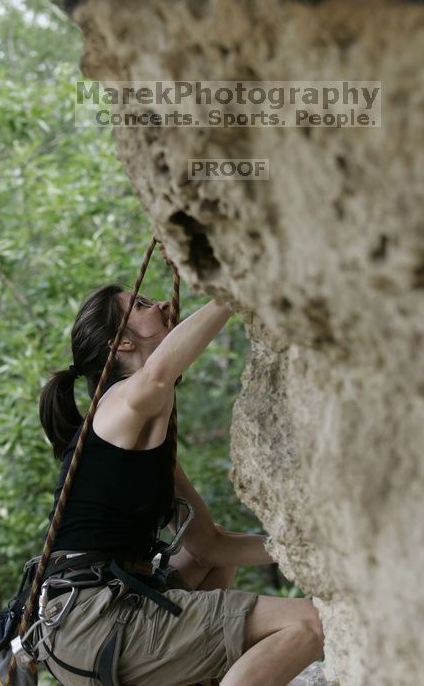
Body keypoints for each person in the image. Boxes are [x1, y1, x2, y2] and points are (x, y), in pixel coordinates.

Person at [37, 284, 325, 686]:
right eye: (140, 305)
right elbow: (156, 375)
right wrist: (236, 289)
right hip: (95, 619)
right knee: (310, 623)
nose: (159, 304)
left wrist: (313, 551)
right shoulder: (116, 404)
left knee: (216, 562)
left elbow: (210, 547)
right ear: (120, 343)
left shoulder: (146, 448)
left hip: (88, 623)